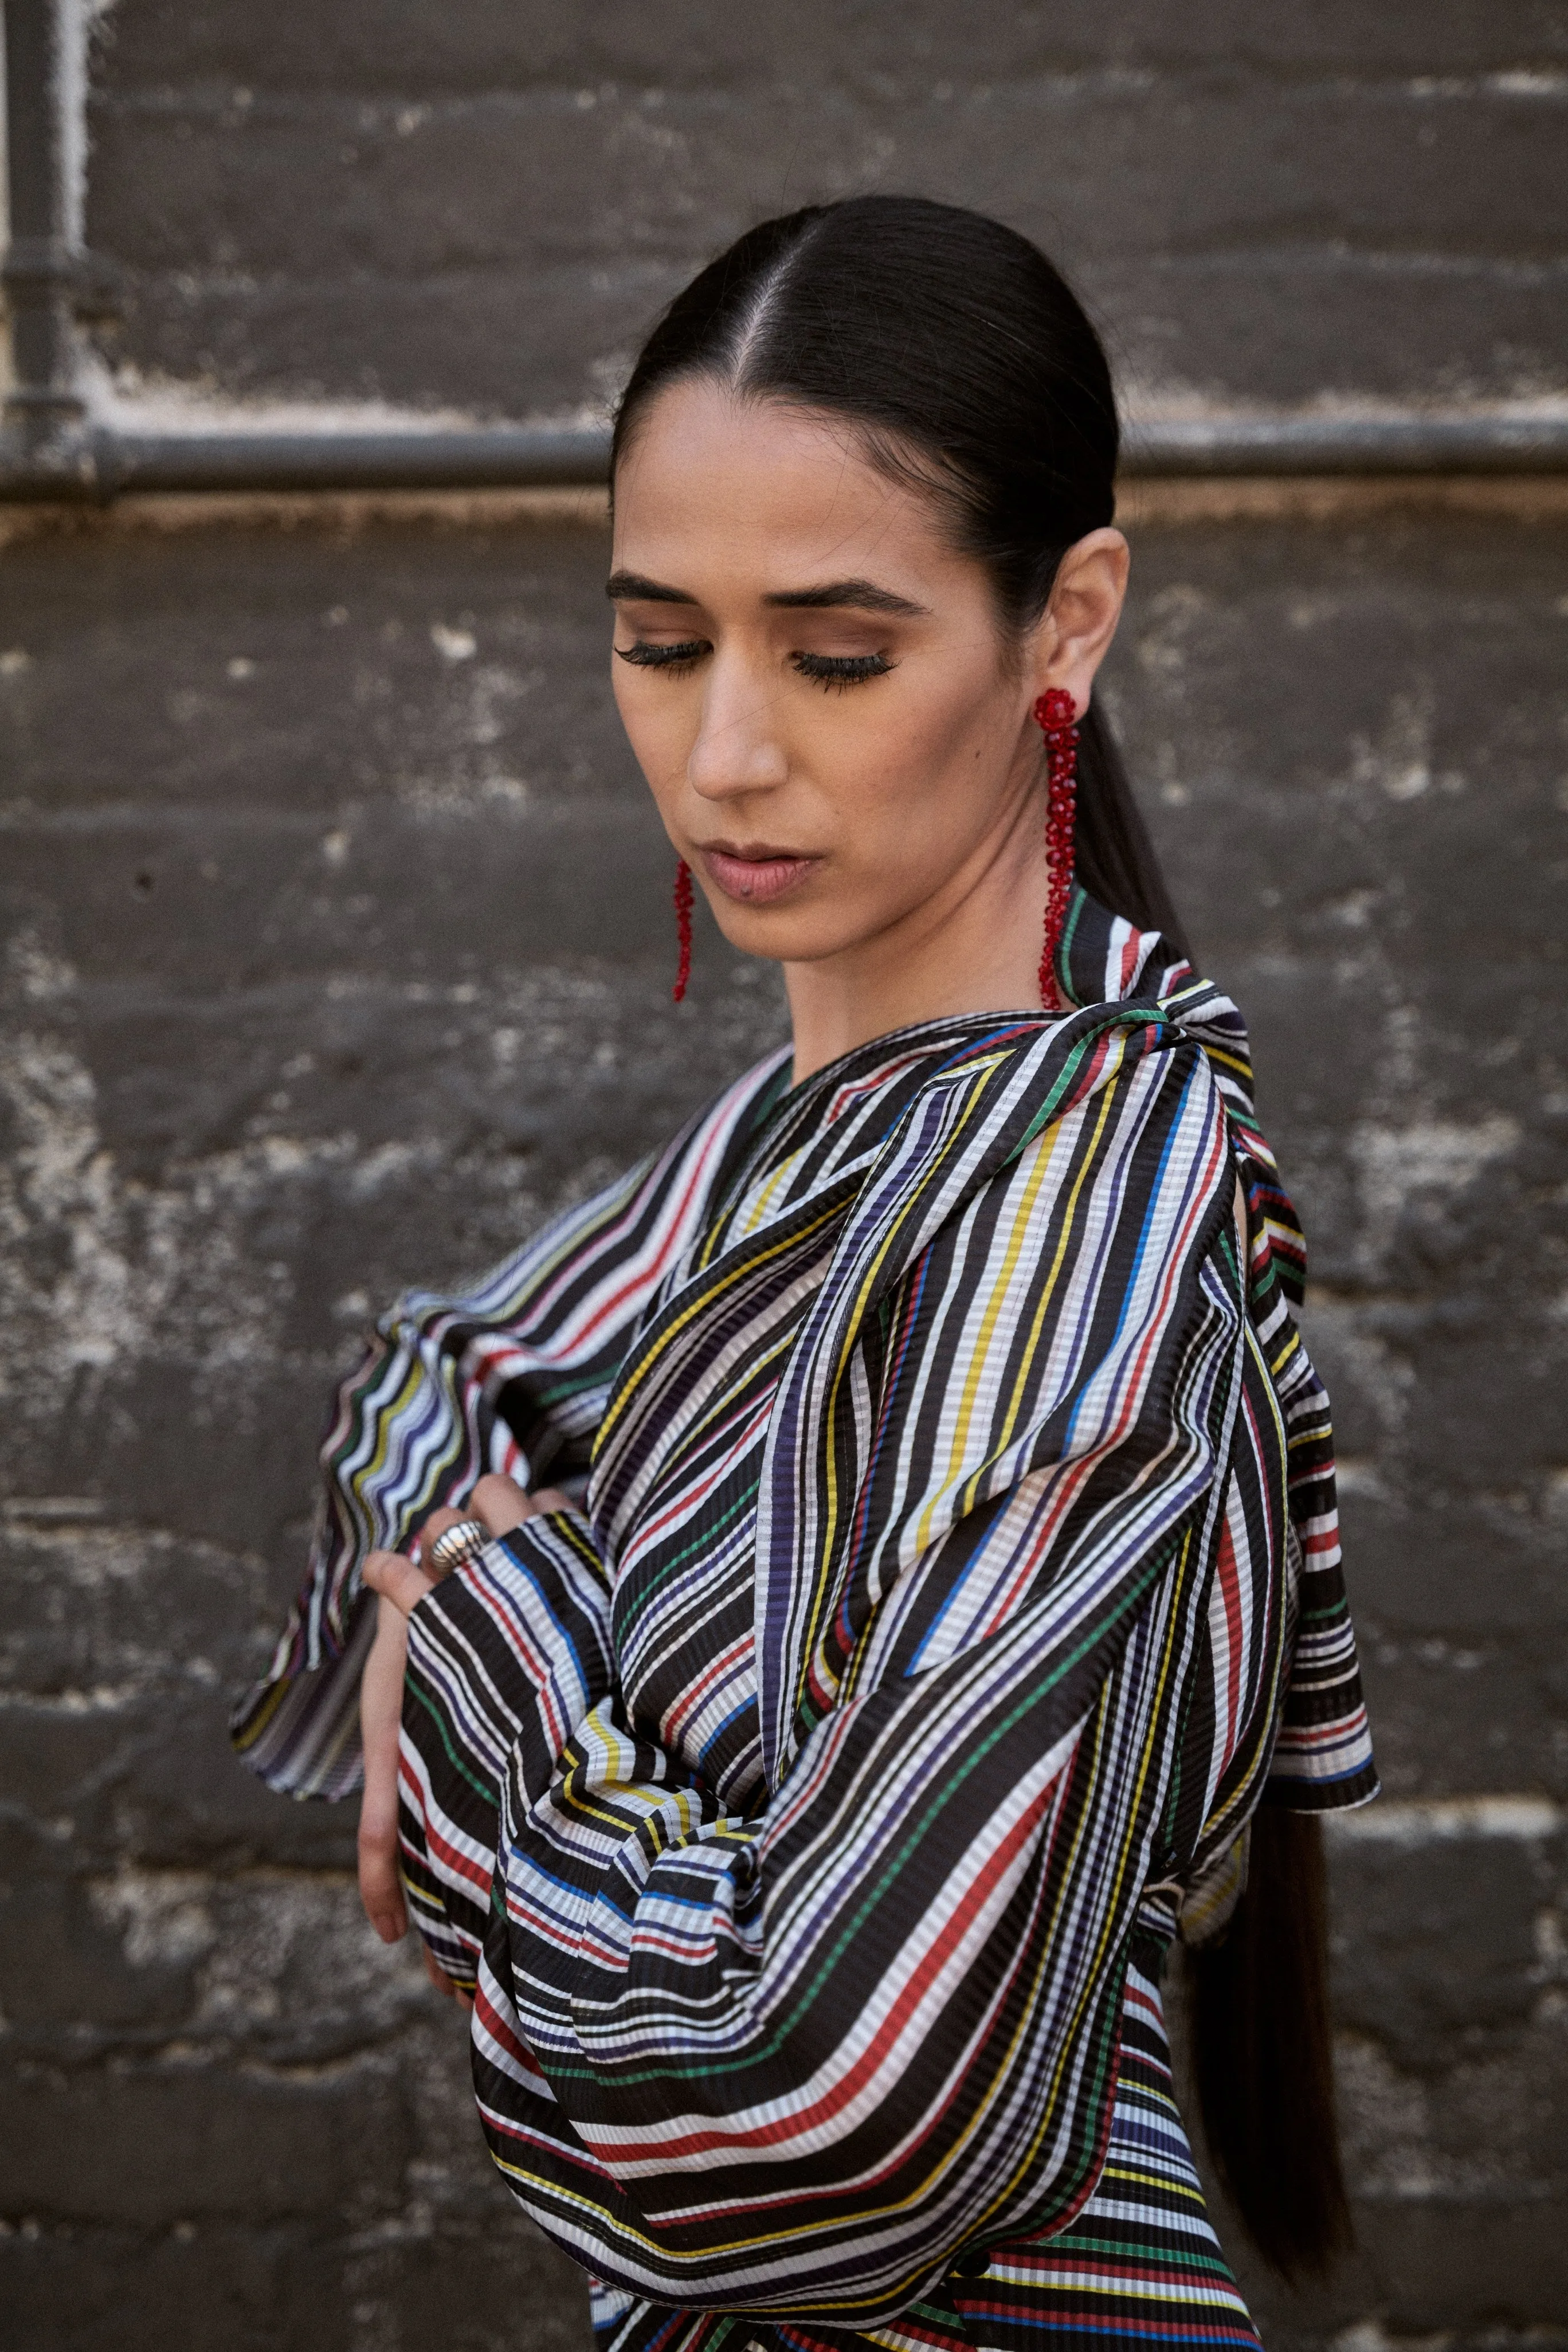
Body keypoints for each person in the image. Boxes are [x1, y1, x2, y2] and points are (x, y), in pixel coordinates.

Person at [233, 196, 1378, 2352]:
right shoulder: (773, 1171)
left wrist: (486, 1651)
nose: (726, 754)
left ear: (1069, 621)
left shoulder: (1082, 1211)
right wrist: (484, 1601)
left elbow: (832, 2116)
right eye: (661, 643)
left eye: (835, 656)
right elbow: (435, 1388)